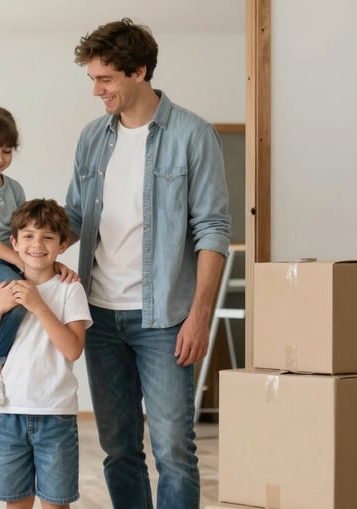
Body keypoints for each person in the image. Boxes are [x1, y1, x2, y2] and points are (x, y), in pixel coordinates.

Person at [64, 19, 231, 509]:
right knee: (119, 450)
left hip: (166, 319)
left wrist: (199, 316)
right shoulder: (92, 138)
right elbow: (74, 217)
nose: (96, 90)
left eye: (105, 79)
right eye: (93, 79)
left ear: (138, 71)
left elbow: (212, 230)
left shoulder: (192, 134)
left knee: (174, 450)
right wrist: (20, 250)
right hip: (99, 315)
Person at [0, 107, 77, 406]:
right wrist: (21, 262)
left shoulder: (15, 188)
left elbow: (25, 234)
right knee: (18, 290)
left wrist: (48, 263)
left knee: (31, 287)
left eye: (6, 151)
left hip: (12, 258)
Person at [0, 198, 91, 509]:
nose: (37, 245)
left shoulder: (70, 289)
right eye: (27, 236)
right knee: (16, 503)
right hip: (8, 414)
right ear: (14, 242)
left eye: (47, 237)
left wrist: (39, 306)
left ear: (62, 245)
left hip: (55, 415)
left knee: (55, 503)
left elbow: (73, 349)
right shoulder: (2, 290)